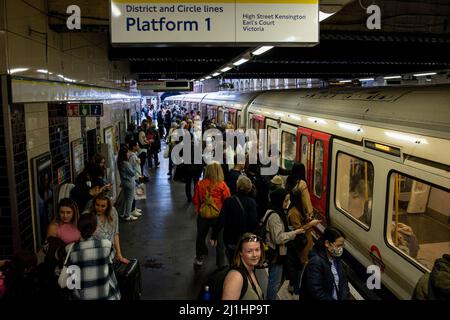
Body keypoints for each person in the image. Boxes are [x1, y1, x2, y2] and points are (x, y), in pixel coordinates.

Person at [263, 188, 305, 300]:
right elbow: (278, 238)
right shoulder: (275, 216)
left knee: (278, 280)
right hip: (276, 254)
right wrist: (294, 232)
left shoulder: (274, 211)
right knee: (275, 282)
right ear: (279, 200)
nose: (287, 203)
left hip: (278, 252)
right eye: (285, 200)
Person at [68, 213, 121, 300]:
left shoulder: (71, 250)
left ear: (78, 229)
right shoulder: (106, 245)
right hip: (107, 296)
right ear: (96, 229)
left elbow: (72, 283)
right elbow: (110, 260)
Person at [211, 175, 259, 264]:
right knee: (247, 263)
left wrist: (214, 235)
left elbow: (221, 220)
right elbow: (253, 223)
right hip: (246, 240)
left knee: (233, 261)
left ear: (237, 186)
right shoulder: (251, 203)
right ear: (249, 189)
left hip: (231, 239)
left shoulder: (228, 201)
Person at [192, 162, 231, 267]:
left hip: (203, 216)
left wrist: (200, 210)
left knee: (200, 237)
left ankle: (199, 258)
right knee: (220, 240)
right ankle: (220, 263)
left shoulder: (200, 184)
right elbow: (227, 200)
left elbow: (196, 200)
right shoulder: (222, 185)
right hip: (218, 217)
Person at [286, 188, 321, 294]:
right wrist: (310, 224)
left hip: (306, 244)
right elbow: (298, 230)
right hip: (300, 245)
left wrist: (309, 219)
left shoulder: (299, 209)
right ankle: (296, 288)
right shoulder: (293, 212)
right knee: (299, 269)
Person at [302, 226, 350, 300]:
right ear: (327, 243)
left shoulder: (336, 258)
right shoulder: (316, 262)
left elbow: (343, 281)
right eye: (338, 245)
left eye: (342, 245)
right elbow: (316, 292)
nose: (341, 249)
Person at [222, 233, 265, 300]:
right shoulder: (236, 277)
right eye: (249, 251)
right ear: (240, 252)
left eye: (257, 250)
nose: (254, 255)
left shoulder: (251, 269)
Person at [89, 193, 129, 264]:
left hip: (111, 252)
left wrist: (119, 254)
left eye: (103, 206)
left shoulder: (113, 212)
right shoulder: (89, 217)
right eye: (97, 205)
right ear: (94, 204)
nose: (99, 208)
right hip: (97, 254)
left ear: (108, 206)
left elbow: (115, 234)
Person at [116, 145, 138, 221]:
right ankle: (128, 215)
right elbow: (132, 173)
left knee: (125, 199)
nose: (129, 154)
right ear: (125, 154)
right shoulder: (126, 163)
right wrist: (136, 164)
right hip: (129, 183)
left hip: (124, 182)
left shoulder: (120, 162)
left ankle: (122, 213)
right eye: (128, 152)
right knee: (129, 199)